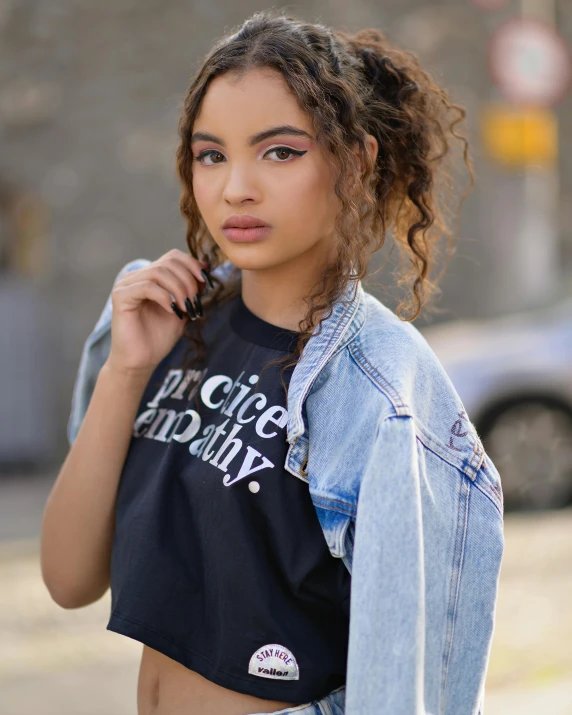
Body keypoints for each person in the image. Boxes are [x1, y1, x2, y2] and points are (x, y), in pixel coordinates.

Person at [40, 10, 504, 715]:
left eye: (279, 152)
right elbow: (70, 578)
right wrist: (126, 371)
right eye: (211, 154)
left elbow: (406, 684)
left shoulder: (381, 388)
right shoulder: (167, 322)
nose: (236, 189)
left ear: (356, 162)